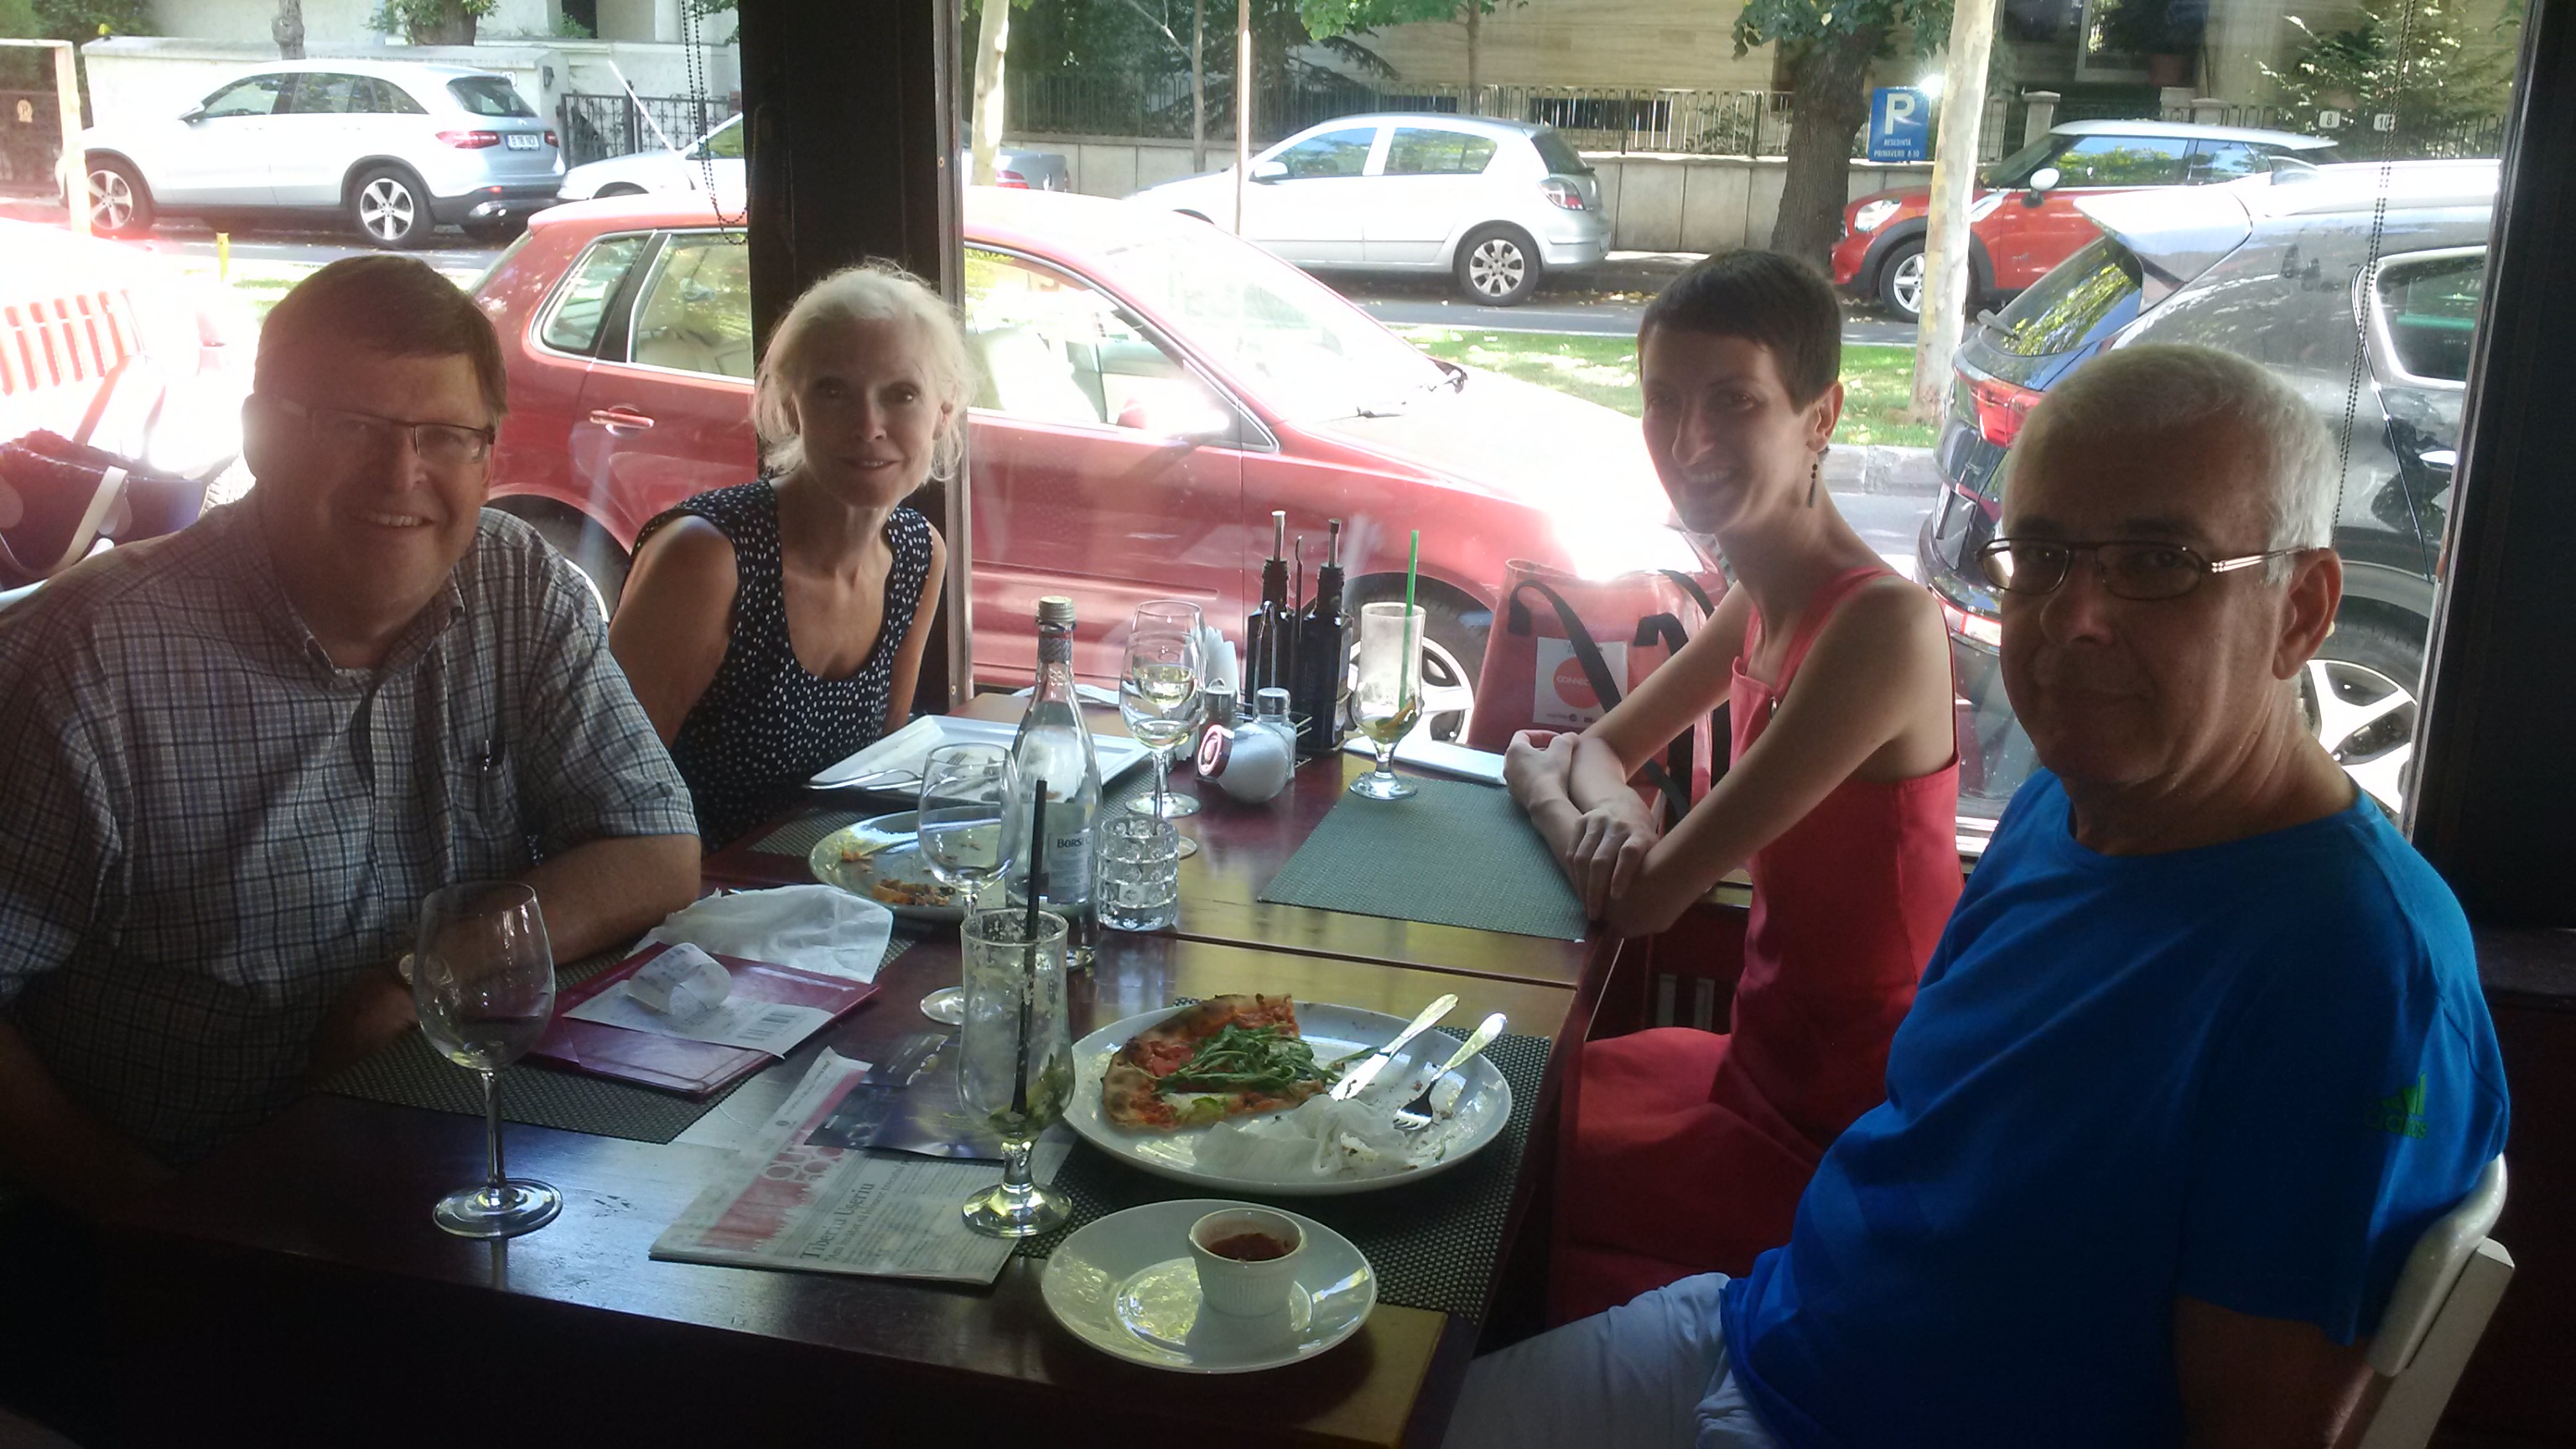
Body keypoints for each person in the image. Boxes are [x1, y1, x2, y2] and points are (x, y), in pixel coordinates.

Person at [1449, 344, 2510, 1448]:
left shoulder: (2354, 973)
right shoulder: (2063, 802)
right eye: (2041, 556)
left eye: (2158, 561)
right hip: (1763, 1331)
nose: (2076, 616)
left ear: (2302, 609)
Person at [0, 257, 700, 1436]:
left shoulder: (515, 582)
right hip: (167, 1236)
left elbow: (655, 846)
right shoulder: (89, 666)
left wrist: (411, 983)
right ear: (261, 435)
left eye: (444, 436)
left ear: (488, 452)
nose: (400, 475)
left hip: (444, 1181)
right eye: (351, 427)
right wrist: (152, 1213)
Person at [1504, 251, 1961, 1317]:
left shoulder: (1880, 627)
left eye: (1734, 402)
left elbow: (1648, 898)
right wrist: (1614, 811)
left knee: (1487, 1174)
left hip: (1850, 1128)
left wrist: (1539, 787)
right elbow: (1602, 752)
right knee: (1476, 1105)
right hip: (1751, 1064)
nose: (1687, 442)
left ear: (1820, 417)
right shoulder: (1757, 595)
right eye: (1663, 401)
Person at [610, 262, 958, 849]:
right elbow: (605, 792)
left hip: (829, 886)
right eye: (833, 391)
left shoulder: (919, 554)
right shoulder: (707, 559)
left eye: (901, 394)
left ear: (942, 414)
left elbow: (876, 776)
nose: (868, 426)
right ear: (793, 407)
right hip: (690, 891)